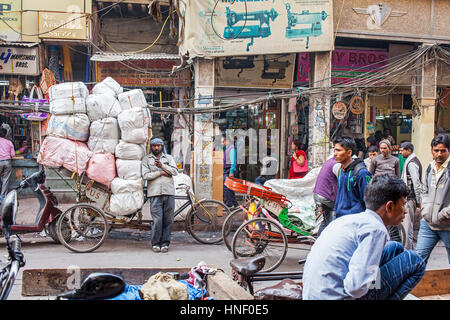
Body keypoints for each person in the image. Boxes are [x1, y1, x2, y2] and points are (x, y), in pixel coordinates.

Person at [302, 174, 426, 300]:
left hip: (313, 294)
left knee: (394, 248)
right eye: (403, 204)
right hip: (338, 296)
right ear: (389, 206)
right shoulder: (375, 230)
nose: (405, 210)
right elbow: (354, 288)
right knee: (415, 261)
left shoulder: (351, 220)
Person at [416, 134, 450, 265]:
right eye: (436, 150)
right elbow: (424, 190)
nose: (439, 154)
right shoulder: (430, 168)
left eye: (443, 151)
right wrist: (425, 209)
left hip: (447, 226)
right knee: (417, 262)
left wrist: (442, 215)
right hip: (428, 224)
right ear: (431, 150)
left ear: (449, 151)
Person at [141, 137, 178, 253]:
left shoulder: (169, 158)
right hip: (155, 193)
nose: (156, 148)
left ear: (162, 146)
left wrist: (162, 166)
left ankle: (165, 243)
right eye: (154, 146)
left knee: (168, 220)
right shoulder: (146, 159)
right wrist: (161, 172)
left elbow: (175, 172)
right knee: (157, 220)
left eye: (158, 145)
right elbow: (146, 175)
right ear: (151, 147)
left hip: (169, 192)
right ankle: (156, 243)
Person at [333, 136, 372, 218]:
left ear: (349, 153)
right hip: (340, 219)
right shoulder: (341, 170)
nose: (335, 154)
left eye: (338, 150)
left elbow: (369, 202)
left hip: (355, 221)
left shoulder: (362, 173)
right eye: (334, 150)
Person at [399, 141, 423, 250]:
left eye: (402, 150)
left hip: (410, 198)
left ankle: (408, 252)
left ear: (409, 150)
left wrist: (419, 201)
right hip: (410, 198)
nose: (400, 152)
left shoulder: (412, 163)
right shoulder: (409, 161)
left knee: (407, 227)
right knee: (407, 227)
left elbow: (416, 183)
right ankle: (410, 250)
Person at [312, 155, 339, 235]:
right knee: (332, 220)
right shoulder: (337, 165)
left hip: (318, 194)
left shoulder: (329, 161)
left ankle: (318, 241)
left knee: (325, 219)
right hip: (326, 196)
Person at [222, 135, 238, 208]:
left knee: (226, 187)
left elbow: (233, 161)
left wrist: (231, 171)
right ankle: (234, 204)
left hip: (229, 171)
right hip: (226, 170)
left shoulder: (231, 148)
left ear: (226, 141)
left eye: (223, 142)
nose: (222, 143)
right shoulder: (227, 148)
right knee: (229, 188)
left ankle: (229, 204)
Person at [0, 128, 15, 200]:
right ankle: (2, 197)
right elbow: (13, 154)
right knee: (5, 179)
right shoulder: (9, 142)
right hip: (7, 162)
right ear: (6, 134)